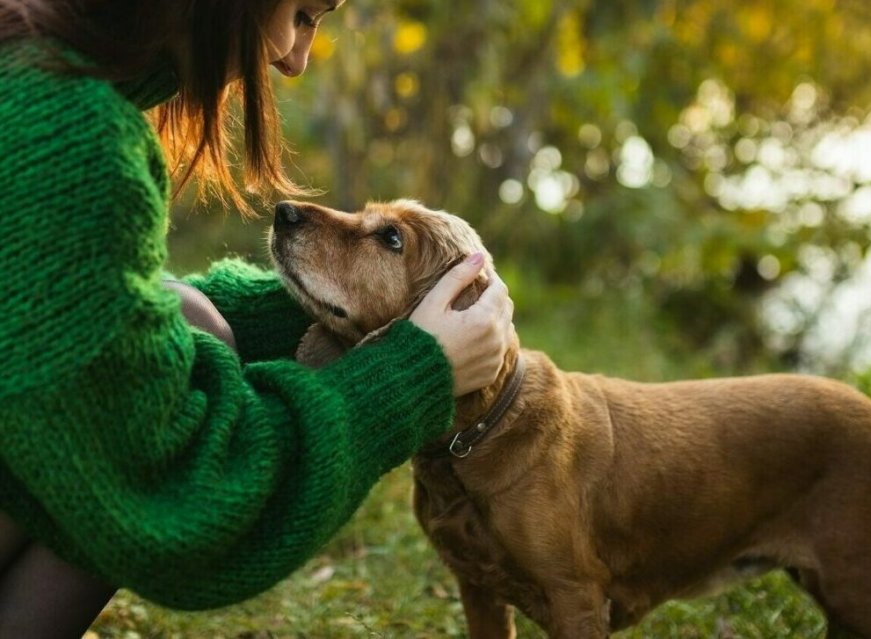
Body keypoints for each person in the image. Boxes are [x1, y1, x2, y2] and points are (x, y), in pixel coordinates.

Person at [0, 1, 515, 636]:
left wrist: (365, 309)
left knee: (189, 318)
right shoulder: (64, 135)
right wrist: (408, 372)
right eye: (303, 13)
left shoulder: (28, 74)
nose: (295, 60)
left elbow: (86, 329)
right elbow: (185, 495)